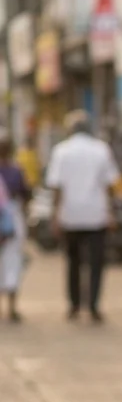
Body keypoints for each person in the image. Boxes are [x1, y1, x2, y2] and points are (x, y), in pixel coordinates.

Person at [46, 110, 119, 323]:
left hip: (71, 214)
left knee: (73, 262)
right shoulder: (101, 150)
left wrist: (55, 216)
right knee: (96, 262)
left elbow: (57, 188)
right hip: (96, 214)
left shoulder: (62, 151)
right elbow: (109, 186)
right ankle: (94, 304)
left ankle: (74, 304)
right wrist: (111, 212)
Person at [0, 132, 31, 322]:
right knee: (12, 262)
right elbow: (26, 195)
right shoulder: (16, 171)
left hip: (9, 220)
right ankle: (11, 307)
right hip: (12, 220)